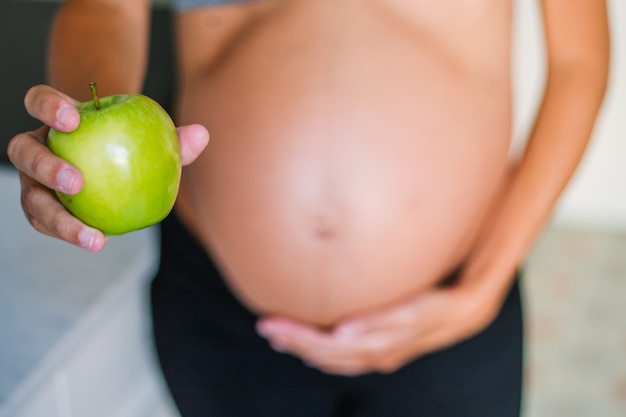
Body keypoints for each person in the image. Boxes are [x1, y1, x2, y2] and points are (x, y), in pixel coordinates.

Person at [7, 0, 610, 416]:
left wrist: (484, 287)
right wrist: (78, 129)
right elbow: (106, 8)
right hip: (221, 319)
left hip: (453, 315)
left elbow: (579, 60)